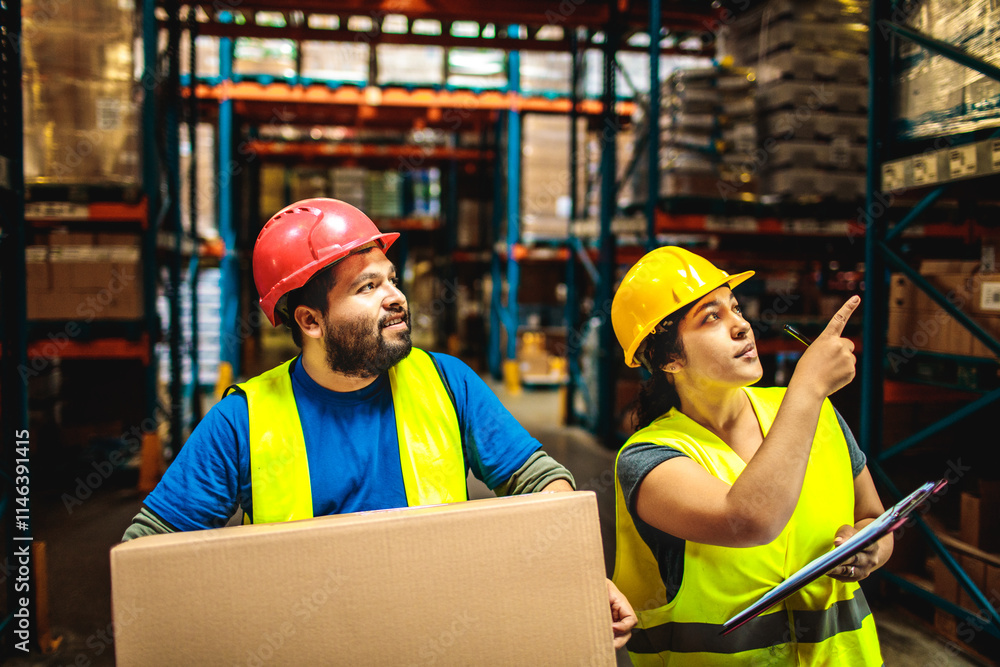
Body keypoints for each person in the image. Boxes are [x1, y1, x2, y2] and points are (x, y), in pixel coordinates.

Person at [123, 198, 636, 648]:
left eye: (391, 279)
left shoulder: (446, 382)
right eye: (367, 287)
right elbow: (147, 556)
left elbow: (540, 479)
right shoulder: (243, 420)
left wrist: (577, 570)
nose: (395, 296)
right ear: (310, 320)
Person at [609, 246, 892, 665]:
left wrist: (870, 548)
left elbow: (875, 517)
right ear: (669, 358)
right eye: (712, 317)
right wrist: (809, 387)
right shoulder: (648, 458)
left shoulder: (814, 414)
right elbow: (749, 521)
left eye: (736, 308)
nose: (741, 325)